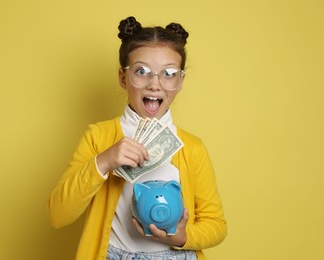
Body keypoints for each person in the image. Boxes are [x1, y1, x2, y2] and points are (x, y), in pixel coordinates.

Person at [47, 16, 227, 260]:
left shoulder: (192, 148)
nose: (155, 84)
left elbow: (216, 224)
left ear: (180, 81)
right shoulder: (99, 137)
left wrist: (182, 237)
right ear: (123, 77)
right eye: (141, 71)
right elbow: (59, 214)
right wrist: (104, 161)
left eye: (169, 73)